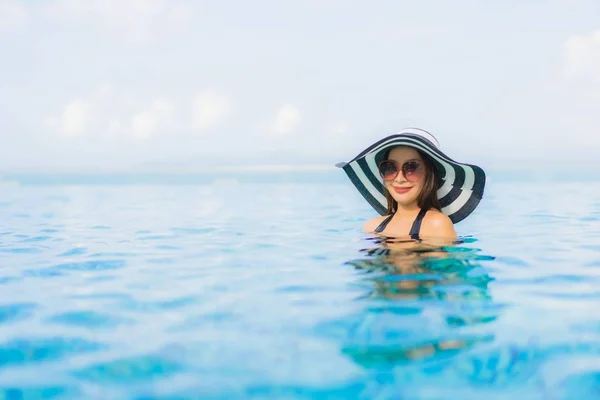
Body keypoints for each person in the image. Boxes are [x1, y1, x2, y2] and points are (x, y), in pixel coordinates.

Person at [336, 128, 486, 240]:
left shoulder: (437, 225)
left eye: (411, 168)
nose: (399, 178)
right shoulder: (371, 227)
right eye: (390, 168)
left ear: (430, 175)